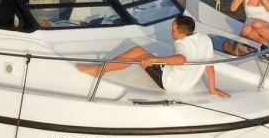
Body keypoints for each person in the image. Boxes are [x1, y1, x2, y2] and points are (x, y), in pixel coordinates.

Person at [77, 14, 229, 97]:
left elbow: (180, 59)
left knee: (136, 54)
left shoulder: (181, 43)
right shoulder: (205, 39)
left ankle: (98, 70)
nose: (171, 32)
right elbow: (209, 66)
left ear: (182, 33)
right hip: (187, 84)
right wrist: (213, 89)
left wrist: (153, 60)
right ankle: (101, 68)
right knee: (138, 51)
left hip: (169, 82)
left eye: (173, 30)